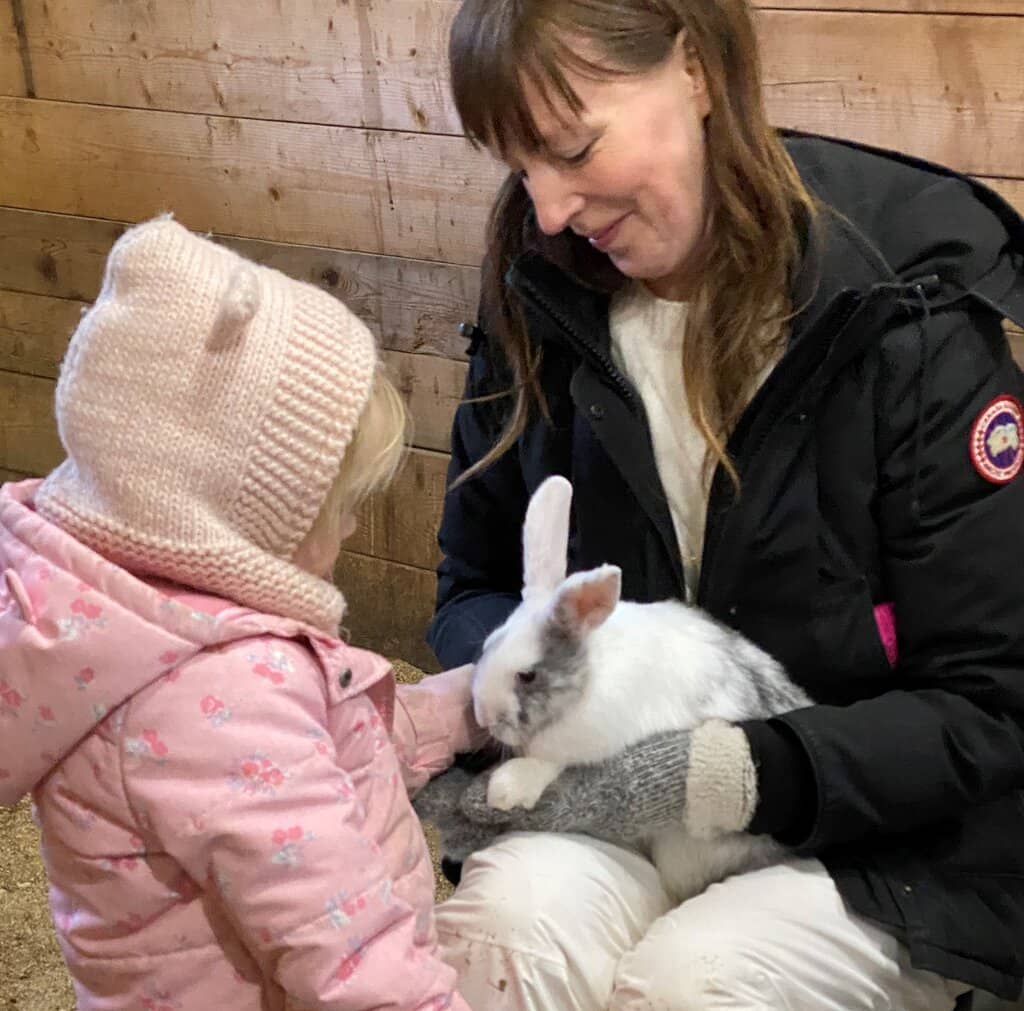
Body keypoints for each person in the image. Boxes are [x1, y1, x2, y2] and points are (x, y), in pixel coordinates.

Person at [420, 0, 1024, 1008]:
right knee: (506, 931)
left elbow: (992, 701)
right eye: (520, 165)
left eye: (572, 147)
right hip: (610, 790)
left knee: (690, 984)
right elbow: (470, 585)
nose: (551, 208)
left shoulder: (901, 306)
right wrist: (523, 688)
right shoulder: (533, 290)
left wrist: (737, 773)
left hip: (882, 839)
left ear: (695, 68)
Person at [0, 217, 485, 1011]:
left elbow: (311, 759)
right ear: (238, 519)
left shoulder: (131, 637)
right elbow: (353, 952)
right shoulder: (223, 690)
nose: (356, 529)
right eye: (338, 506)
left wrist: (464, 705)